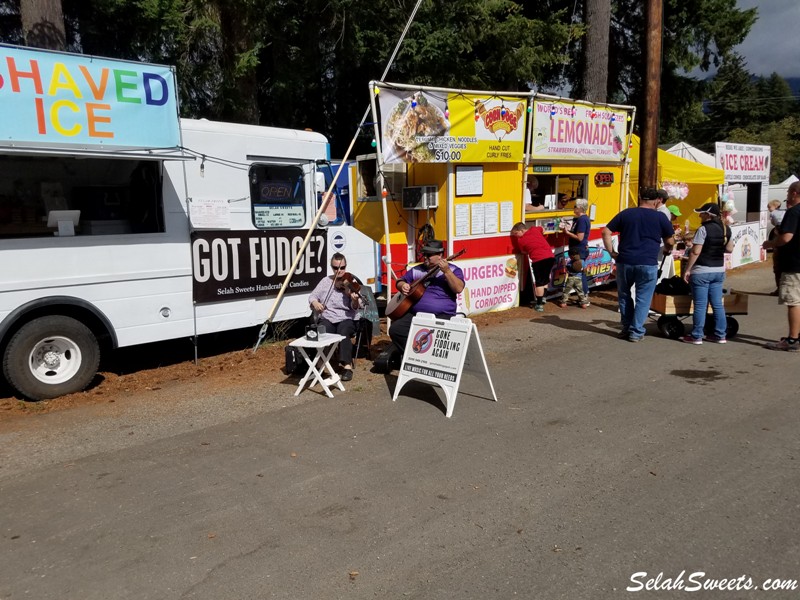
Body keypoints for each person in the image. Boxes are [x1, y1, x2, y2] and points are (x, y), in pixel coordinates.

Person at [602, 187, 675, 342]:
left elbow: (606, 232)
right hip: (648, 262)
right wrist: (668, 249)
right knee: (643, 298)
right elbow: (670, 241)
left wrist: (611, 252)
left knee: (624, 295)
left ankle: (626, 327)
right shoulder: (661, 217)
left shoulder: (627, 213)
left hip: (625, 261)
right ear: (657, 200)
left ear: (640, 198)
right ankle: (636, 332)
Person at [389, 239, 465, 357]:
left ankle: (426, 358)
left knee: (433, 337)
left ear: (440, 255)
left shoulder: (454, 270)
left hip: (441, 314)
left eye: (429, 255)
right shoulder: (417, 269)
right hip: (416, 313)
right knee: (396, 330)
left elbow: (458, 288)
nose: (425, 257)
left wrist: (447, 272)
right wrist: (402, 285)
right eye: (424, 254)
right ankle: (412, 357)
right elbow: (400, 280)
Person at [680, 203, 734, 344]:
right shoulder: (725, 229)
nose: (699, 215)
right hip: (718, 270)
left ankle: (697, 335)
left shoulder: (703, 229)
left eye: (702, 213)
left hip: (702, 271)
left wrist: (688, 269)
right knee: (717, 304)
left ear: (708, 214)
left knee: (700, 305)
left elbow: (696, 251)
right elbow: (729, 249)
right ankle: (720, 334)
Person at [308, 252, 362, 381]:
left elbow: (356, 307)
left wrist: (354, 300)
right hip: (328, 316)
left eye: (342, 268)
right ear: (331, 267)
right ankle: (320, 365)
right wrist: (315, 303)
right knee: (323, 331)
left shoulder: (350, 283)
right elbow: (312, 296)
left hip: (346, 317)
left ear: (345, 266)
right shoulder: (325, 281)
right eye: (335, 268)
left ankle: (347, 366)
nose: (339, 271)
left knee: (343, 331)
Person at [762, 181, 800, 351]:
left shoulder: (794, 212)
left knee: (793, 301)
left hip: (794, 263)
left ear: (794, 193)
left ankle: (792, 339)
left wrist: (770, 243)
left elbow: (786, 237)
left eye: (788, 192)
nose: (786, 196)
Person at [510, 222, 555, 312]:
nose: (516, 236)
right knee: (545, 279)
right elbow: (543, 228)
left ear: (522, 230)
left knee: (539, 282)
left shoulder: (521, 240)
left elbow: (524, 251)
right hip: (550, 257)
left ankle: (539, 304)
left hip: (538, 259)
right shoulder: (534, 229)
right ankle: (543, 298)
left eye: (516, 233)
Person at [560, 198, 592, 297]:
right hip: (578, 250)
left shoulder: (582, 220)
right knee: (579, 273)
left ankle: (584, 297)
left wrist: (567, 233)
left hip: (579, 251)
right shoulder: (580, 219)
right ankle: (583, 296)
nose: (573, 208)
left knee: (578, 274)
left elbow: (580, 237)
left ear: (580, 208)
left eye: (575, 206)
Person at [767, 199, 786, 293]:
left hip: (780, 244)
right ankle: (780, 288)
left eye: (769, 207)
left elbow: (776, 224)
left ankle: (780, 288)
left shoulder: (774, 214)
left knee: (778, 267)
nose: (769, 209)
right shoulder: (784, 213)